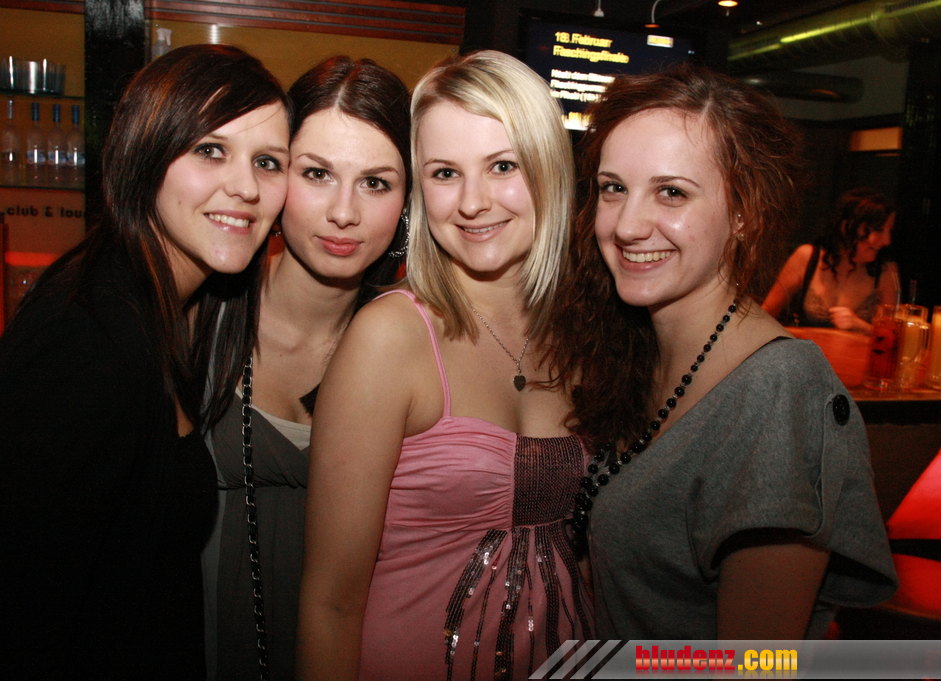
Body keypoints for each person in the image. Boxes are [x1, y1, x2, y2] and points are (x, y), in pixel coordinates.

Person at [0, 44, 290, 678]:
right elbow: (12, 627)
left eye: (267, 161)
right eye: (210, 150)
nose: (246, 187)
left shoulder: (164, 310)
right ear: (145, 155)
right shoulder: (85, 343)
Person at [551, 64, 898, 640]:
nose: (628, 225)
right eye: (614, 188)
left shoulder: (779, 390)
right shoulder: (638, 352)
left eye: (671, 192)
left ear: (743, 212)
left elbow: (754, 665)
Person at [297, 50, 592, 681]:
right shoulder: (390, 338)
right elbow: (330, 603)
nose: (473, 202)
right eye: (445, 173)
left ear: (549, 168)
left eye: (503, 166)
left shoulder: (584, 332)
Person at [202, 56, 410, 681]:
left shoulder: (415, 346)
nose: (343, 212)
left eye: (376, 183)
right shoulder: (197, 316)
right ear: (273, 173)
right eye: (317, 174)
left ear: (409, 201)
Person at [763, 187, 899, 333]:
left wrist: (860, 326)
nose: (887, 240)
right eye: (879, 230)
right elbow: (766, 314)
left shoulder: (886, 271)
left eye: (889, 230)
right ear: (847, 226)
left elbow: (892, 336)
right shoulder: (808, 257)